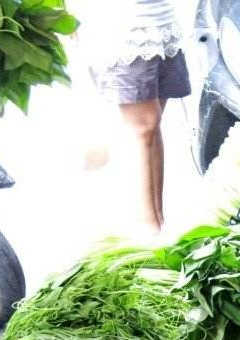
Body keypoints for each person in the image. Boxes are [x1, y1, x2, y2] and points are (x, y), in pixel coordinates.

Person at [80, 0, 191, 237]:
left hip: (161, 22)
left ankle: (158, 221)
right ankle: (147, 232)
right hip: (123, 29)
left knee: (151, 126)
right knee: (142, 127)